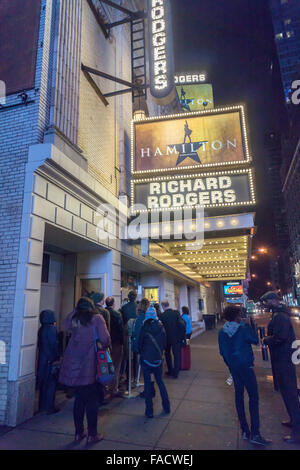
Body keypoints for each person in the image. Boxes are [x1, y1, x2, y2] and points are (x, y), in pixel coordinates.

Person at [59, 297, 110, 444]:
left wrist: (77, 309)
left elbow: (65, 324)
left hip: (73, 364)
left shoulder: (74, 319)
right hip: (90, 365)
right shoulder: (97, 318)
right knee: (92, 401)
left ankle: (78, 433)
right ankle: (92, 434)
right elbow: (105, 339)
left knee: (79, 400)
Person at [218, 305, 270, 447]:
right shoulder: (243, 329)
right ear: (237, 316)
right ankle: (255, 433)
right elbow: (255, 340)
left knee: (239, 396)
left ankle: (245, 430)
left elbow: (222, 352)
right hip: (246, 366)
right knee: (253, 397)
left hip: (234, 368)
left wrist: (230, 365)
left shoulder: (222, 332)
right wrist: (250, 325)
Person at [261, 291, 300, 444]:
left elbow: (280, 337)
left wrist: (266, 339)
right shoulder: (279, 314)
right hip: (281, 358)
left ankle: (297, 432)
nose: (264, 305)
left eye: (265, 302)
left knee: (290, 394)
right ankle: (294, 420)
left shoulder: (281, 317)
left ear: (272, 301)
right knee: (287, 393)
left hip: (283, 359)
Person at [138, 305, 170, 418]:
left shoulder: (144, 327)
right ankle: (167, 407)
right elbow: (165, 343)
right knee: (160, 382)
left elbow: (139, 344)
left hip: (146, 359)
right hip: (158, 359)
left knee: (147, 384)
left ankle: (149, 411)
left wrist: (142, 353)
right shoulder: (161, 327)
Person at [37, 310, 60, 414]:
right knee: (51, 384)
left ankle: (42, 406)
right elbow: (54, 344)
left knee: (43, 384)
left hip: (42, 359)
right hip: (50, 359)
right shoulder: (52, 329)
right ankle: (49, 407)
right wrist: (58, 355)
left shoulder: (41, 329)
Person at [160, 301, 186, 379]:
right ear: (168, 305)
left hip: (167, 339)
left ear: (163, 306)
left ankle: (170, 370)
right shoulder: (176, 314)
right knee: (176, 355)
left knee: (167, 354)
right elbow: (182, 325)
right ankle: (176, 372)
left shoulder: (162, 315)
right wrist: (182, 336)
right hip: (176, 338)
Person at [105, 296, 124, 397]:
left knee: (106, 366)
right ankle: (114, 387)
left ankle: (105, 387)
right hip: (116, 343)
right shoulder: (117, 314)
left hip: (105, 344)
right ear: (113, 304)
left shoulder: (102, 313)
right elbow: (121, 330)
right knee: (116, 366)